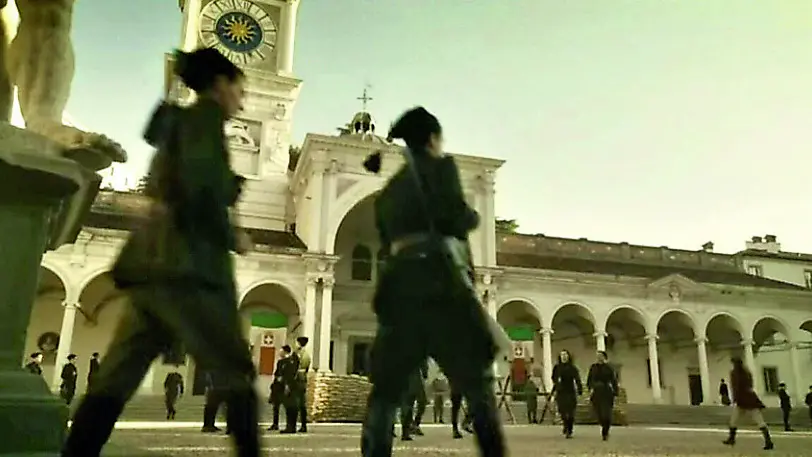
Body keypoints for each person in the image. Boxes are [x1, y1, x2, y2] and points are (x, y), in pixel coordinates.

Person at [60, 47, 259, 457]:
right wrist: (231, 233)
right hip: (190, 266)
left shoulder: (178, 125)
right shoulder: (204, 120)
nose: (242, 99)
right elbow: (201, 186)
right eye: (239, 89)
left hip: (149, 262)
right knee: (235, 370)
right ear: (220, 86)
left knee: (116, 375)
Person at [359, 106, 506, 457]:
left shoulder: (389, 192)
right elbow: (454, 217)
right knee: (478, 384)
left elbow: (385, 240)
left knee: (385, 393)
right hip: (441, 286)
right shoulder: (442, 167)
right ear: (431, 139)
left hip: (399, 293)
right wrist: (471, 217)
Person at [722, 357, 773, 450]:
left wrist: (734, 398)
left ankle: (732, 438)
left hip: (744, 399)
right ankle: (768, 441)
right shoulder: (746, 373)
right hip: (749, 399)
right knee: (756, 420)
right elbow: (749, 385)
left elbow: (736, 387)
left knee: (736, 420)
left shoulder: (736, 374)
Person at [586, 351, 617, 441]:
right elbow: (589, 379)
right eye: (597, 356)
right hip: (596, 393)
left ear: (604, 357)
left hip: (606, 392)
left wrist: (615, 391)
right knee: (599, 413)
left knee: (606, 414)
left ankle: (605, 431)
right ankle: (603, 425)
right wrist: (591, 387)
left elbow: (613, 380)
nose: (599, 357)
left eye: (600, 356)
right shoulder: (593, 367)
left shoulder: (609, 368)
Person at [552, 349, 583, 438]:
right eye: (562, 355)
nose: (564, 357)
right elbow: (553, 378)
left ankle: (569, 429)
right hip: (561, 392)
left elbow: (577, 379)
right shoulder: (557, 368)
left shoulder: (572, 368)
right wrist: (557, 383)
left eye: (565, 355)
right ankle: (565, 426)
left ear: (568, 356)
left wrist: (579, 389)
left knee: (570, 413)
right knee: (562, 411)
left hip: (570, 392)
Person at [284, 336, 310, 434]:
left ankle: (295, 426)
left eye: (296, 342)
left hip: (297, 381)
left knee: (296, 404)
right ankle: (302, 425)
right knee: (301, 404)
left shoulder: (300, 355)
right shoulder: (303, 354)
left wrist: (290, 381)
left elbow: (295, 368)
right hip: (301, 380)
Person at [268, 345, 294, 431]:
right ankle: (275, 424)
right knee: (276, 406)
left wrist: (285, 381)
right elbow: (276, 372)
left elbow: (289, 374)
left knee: (286, 405)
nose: (280, 352)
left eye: (281, 351)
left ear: (285, 352)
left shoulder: (289, 362)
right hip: (277, 386)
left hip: (283, 386)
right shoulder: (279, 362)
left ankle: (289, 425)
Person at [281, 344, 301, 433]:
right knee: (289, 407)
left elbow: (291, 374)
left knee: (291, 407)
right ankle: (289, 426)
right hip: (289, 385)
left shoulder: (292, 360)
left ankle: (291, 426)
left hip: (291, 386)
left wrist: (287, 385)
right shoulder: (289, 360)